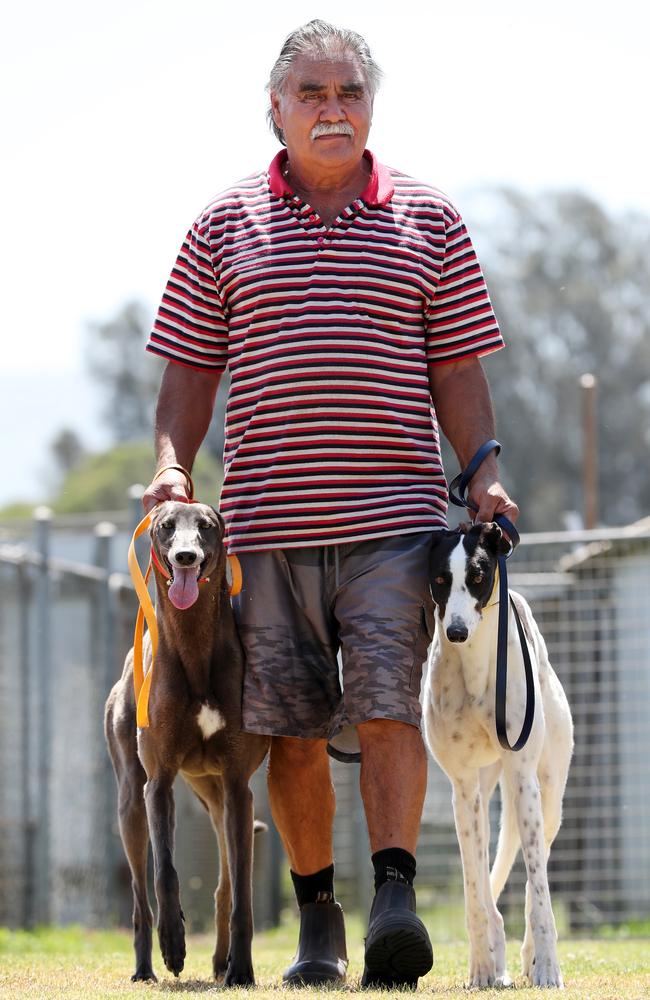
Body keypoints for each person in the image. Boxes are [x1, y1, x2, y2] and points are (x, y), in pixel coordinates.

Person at [143, 19, 518, 989]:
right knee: (294, 728)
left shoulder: (428, 218)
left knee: (390, 703)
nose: (331, 108)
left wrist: (479, 472)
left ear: (369, 106)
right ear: (273, 108)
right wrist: (172, 469)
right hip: (267, 528)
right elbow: (188, 373)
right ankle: (319, 921)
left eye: (348, 91)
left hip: (396, 520)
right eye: (309, 93)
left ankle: (394, 895)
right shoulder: (220, 226)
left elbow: (457, 367)